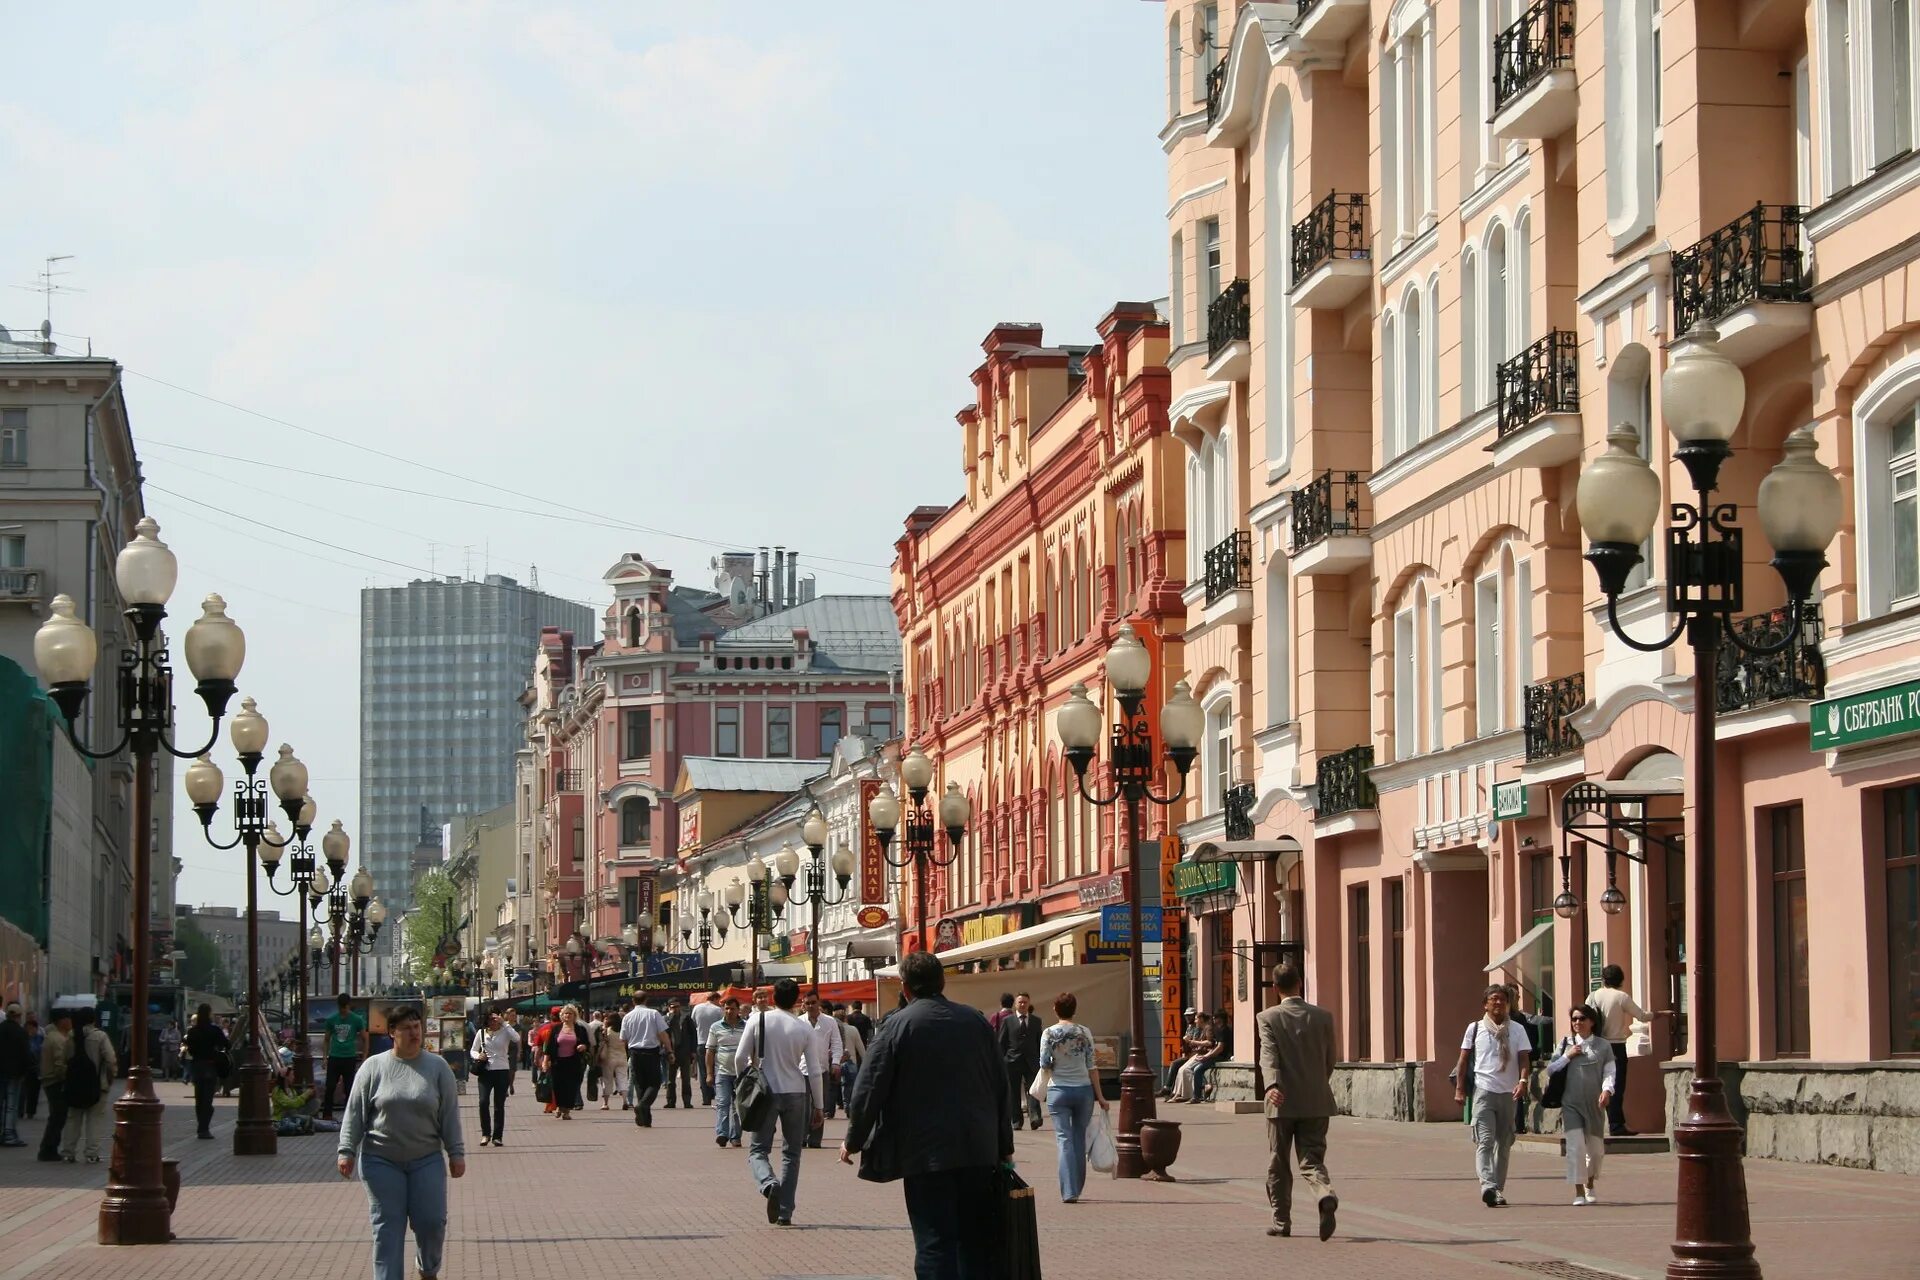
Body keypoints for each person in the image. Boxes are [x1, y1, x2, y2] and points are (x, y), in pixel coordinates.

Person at [843, 951, 1013, 1276]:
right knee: (974, 1242)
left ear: (905, 987)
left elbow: (869, 1088)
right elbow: (1000, 1085)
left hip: (926, 1154)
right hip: (978, 1148)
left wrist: (853, 1140)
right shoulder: (975, 1020)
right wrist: (1004, 1145)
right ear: (943, 982)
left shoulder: (897, 1025)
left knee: (934, 1241)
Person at [337, 1004, 465, 1280]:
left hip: (426, 1158)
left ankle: (427, 1268)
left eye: (416, 1026)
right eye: (406, 1027)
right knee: (387, 1227)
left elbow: (450, 1114)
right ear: (392, 1032)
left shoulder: (437, 1067)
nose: (413, 1032)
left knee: (432, 1222)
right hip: (381, 1159)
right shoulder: (374, 1067)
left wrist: (456, 1153)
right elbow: (355, 1112)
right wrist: (346, 1150)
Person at [1256, 964, 1339, 1240]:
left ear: (1275, 988)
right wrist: (1316, 1084)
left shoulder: (1268, 1017)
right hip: (1316, 1101)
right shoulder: (1323, 1017)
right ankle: (1324, 1194)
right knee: (1312, 1159)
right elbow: (1330, 1060)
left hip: (1281, 1101)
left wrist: (1272, 1085)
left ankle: (1281, 1222)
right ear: (1300, 984)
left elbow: (1268, 1055)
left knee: (1278, 1162)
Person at [733, 978, 822, 1227]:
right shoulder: (804, 1028)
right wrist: (819, 1106)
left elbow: (740, 1057)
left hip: (766, 1091)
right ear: (797, 1000)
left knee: (758, 1150)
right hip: (796, 1091)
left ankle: (768, 1183)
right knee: (792, 1153)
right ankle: (785, 1211)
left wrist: (743, 1080)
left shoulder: (758, 1020)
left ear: (773, 998)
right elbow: (814, 1070)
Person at [1452, 984, 1534, 1208]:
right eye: (1494, 999)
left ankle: (1497, 1188)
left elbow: (1525, 1060)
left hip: (1508, 1093)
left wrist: (1523, 1081)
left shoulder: (1517, 1030)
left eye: (1502, 1000)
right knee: (1485, 1141)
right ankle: (1488, 1186)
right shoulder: (1475, 1029)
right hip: (1484, 1091)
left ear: (1508, 1004)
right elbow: (1463, 1060)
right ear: (1485, 1004)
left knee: (1504, 1143)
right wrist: (1460, 1089)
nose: (1498, 1003)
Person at [1039, 991, 1107, 1205]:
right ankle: (1077, 1187)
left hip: (1058, 1090)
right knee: (1079, 1138)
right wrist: (1101, 1096)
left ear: (1055, 1009)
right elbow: (1092, 1066)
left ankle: (1068, 1191)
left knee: (1064, 1139)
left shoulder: (1048, 1033)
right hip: (1083, 1090)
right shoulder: (1084, 1032)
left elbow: (1044, 1064)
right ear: (1075, 1009)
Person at [1547, 1003, 1617, 1205]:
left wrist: (1607, 1090)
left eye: (1582, 1019)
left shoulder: (1603, 1046)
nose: (1577, 1022)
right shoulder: (1565, 1043)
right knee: (1575, 1147)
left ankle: (1590, 1183)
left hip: (1595, 1104)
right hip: (1571, 1104)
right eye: (1574, 1019)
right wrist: (1567, 1057)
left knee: (1596, 1151)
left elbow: (1610, 1071)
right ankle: (1578, 1192)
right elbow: (1551, 1070)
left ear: (1592, 1022)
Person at [1589, 964, 1655, 1136]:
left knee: (1597, 1084)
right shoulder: (1621, 997)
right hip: (1615, 1046)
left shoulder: (1593, 996)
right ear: (1621, 980)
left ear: (1603, 979)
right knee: (1616, 1084)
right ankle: (1616, 1124)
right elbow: (1641, 1016)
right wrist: (1659, 1014)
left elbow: (1584, 1017)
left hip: (1595, 1044)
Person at [59, 1009, 115, 1164]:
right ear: (93, 1020)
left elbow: (65, 1059)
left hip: (74, 1084)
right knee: (94, 1119)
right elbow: (110, 1059)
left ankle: (68, 1152)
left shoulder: (70, 1036)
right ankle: (91, 1153)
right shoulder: (100, 1036)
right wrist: (110, 1078)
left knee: (73, 1119)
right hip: (97, 1084)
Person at [797, 989, 845, 1145]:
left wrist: (836, 1063)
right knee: (803, 1106)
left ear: (819, 1003)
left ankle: (815, 1139)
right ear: (803, 1005)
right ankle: (801, 1137)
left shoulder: (830, 1021)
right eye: (807, 1003)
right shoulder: (798, 1022)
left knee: (820, 1105)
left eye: (813, 1002)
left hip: (822, 1068)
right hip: (802, 1070)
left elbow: (837, 1043)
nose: (811, 1006)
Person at [618, 996, 672, 1126]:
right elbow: (663, 1034)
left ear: (633, 1001)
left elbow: (623, 1039)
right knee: (654, 1083)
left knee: (640, 1084)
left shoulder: (628, 1016)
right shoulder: (653, 1014)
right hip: (651, 1052)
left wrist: (625, 1054)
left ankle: (645, 1119)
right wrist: (669, 1050)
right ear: (646, 1000)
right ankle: (642, 1106)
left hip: (635, 1053)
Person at [469, 1009, 519, 1147]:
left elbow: (517, 1038)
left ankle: (497, 1136)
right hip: (486, 1071)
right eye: (491, 1019)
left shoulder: (505, 1031)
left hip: (502, 1070)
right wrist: (477, 1056)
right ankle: (485, 1133)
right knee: (483, 1101)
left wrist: (505, 1024)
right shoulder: (482, 1032)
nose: (493, 1022)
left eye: (496, 1019)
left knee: (499, 1105)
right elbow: (473, 1049)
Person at [996, 991, 1043, 1131]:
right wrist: (1001, 1060)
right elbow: (1001, 1043)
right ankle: (1016, 1120)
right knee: (1014, 1092)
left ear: (1029, 1004)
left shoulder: (1036, 1021)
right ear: (1015, 1005)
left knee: (1033, 1090)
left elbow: (1040, 1041)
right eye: (1020, 1002)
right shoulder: (1008, 1021)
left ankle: (1035, 1117)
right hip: (1012, 1061)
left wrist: (1042, 1059)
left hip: (1031, 1061)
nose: (1022, 1004)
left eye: (1025, 1002)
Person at [184, 1002, 231, 1140]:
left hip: (197, 1067)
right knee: (207, 1100)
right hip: (210, 1066)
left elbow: (190, 1050)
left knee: (199, 1098)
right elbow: (227, 1044)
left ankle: (201, 1128)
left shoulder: (192, 1031)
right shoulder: (214, 1030)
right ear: (209, 1014)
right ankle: (204, 1128)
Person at [705, 993, 746, 1148]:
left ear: (738, 1010)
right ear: (723, 1009)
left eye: (732, 1008)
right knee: (722, 1103)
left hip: (741, 1074)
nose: (729, 1011)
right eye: (727, 1008)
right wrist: (709, 1073)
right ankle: (722, 1133)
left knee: (737, 1106)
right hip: (722, 1073)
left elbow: (752, 1049)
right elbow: (710, 1051)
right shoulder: (716, 1027)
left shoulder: (746, 1026)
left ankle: (735, 1136)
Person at [321, 994, 368, 1121]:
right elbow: (326, 1039)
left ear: (348, 1005)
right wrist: (325, 1058)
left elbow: (365, 1038)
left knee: (349, 1087)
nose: (343, 1010)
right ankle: (327, 1114)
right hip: (335, 1056)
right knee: (330, 1086)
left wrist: (364, 1057)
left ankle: (350, 1115)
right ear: (338, 1006)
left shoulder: (356, 1019)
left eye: (345, 1007)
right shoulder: (332, 1020)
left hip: (349, 1057)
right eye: (341, 1008)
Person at [35, 1007, 73, 1162]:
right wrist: (67, 1077)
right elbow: (59, 1063)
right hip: (55, 1082)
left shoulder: (52, 1036)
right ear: (61, 1021)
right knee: (58, 1117)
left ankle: (48, 1148)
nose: (70, 1022)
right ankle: (48, 1149)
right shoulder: (58, 1039)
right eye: (68, 1019)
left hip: (50, 1080)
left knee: (56, 1116)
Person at [541, 1004, 591, 1119]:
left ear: (574, 1016)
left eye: (570, 1013)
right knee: (557, 1085)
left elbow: (587, 1043)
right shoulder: (556, 1029)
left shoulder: (580, 1029)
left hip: (573, 1062)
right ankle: (559, 1106)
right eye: (565, 1013)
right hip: (557, 1062)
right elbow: (549, 1047)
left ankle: (567, 1110)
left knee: (571, 1086)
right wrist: (545, 1062)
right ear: (561, 1016)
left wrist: (583, 1046)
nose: (567, 1015)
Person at [0, 1002, 28, 1147]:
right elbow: (25, 1054)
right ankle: (9, 1134)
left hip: (1, 1072)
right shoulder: (20, 1032)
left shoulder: (1, 1028)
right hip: (14, 1073)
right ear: (18, 1016)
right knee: (11, 1105)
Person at [692, 990, 725, 1106]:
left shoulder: (697, 1008)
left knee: (703, 1071)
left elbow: (694, 1023)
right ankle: (718, 1094)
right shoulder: (717, 1010)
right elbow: (722, 1025)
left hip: (701, 1043)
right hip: (715, 1044)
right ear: (716, 999)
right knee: (716, 1069)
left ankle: (706, 1098)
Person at [664, 997, 698, 1109]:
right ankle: (670, 1101)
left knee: (686, 1079)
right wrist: (670, 1018)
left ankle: (687, 1101)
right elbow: (662, 1034)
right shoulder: (665, 1019)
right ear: (669, 1008)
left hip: (685, 1052)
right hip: (671, 1052)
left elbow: (693, 1034)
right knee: (670, 1080)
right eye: (673, 1007)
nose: (675, 1009)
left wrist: (693, 1050)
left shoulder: (686, 1019)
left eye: (677, 1007)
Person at [1159, 1009, 1200, 1098]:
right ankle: (1171, 1091)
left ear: (1194, 1015)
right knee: (1175, 1065)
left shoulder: (1197, 1027)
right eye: (1186, 1016)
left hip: (1194, 1054)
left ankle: (1168, 1088)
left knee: (1175, 1064)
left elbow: (1194, 1042)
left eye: (1190, 1015)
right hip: (1188, 1054)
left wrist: (1187, 1041)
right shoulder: (1189, 1027)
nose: (1188, 1017)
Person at [832, 1003, 866, 1104]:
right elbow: (861, 1049)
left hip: (837, 1062)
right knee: (849, 1087)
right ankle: (848, 1106)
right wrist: (865, 1062)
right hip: (852, 1062)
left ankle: (836, 1105)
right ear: (846, 1018)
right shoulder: (853, 1029)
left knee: (834, 1087)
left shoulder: (833, 1029)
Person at [594, 1009, 627, 1110]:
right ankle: (625, 1101)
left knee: (607, 1080)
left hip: (609, 1058)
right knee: (623, 1079)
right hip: (622, 1057)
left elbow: (603, 1041)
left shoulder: (608, 1030)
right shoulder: (623, 1031)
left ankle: (605, 1103)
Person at [21, 1014, 43, 1120]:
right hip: (23, 1068)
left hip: (36, 1068)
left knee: (34, 1092)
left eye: (32, 1028)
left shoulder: (40, 1038)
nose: (29, 1030)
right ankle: (20, 1111)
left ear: (36, 1029)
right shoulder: (22, 1039)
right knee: (22, 1091)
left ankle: (30, 1112)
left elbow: (41, 1052)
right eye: (27, 1028)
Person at [158, 1019, 181, 1085]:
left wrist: (171, 1041)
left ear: (173, 1025)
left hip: (174, 1049)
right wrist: (164, 1040)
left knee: (174, 1063)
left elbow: (179, 1040)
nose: (168, 1026)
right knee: (165, 1063)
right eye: (168, 1024)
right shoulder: (164, 1031)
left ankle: (175, 1074)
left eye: (170, 1025)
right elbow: (160, 1039)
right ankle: (166, 1077)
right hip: (165, 1048)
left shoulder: (177, 1032)